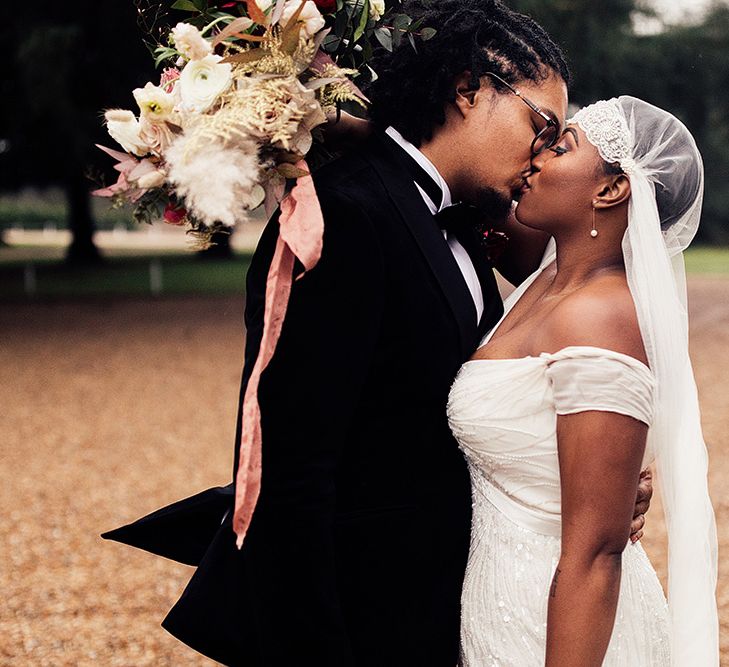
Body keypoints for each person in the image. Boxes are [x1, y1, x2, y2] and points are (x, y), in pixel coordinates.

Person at [102, 2, 650, 664]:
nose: (542, 149)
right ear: (469, 91)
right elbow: (294, 478)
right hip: (362, 625)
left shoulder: (462, 219)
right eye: (541, 125)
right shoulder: (346, 216)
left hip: (448, 615)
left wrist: (590, 480)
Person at [449, 96, 719, 665]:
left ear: (610, 191)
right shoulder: (548, 279)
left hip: (555, 626)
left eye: (562, 144)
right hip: (500, 600)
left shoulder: (600, 317)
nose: (536, 153)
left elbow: (597, 551)